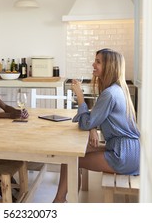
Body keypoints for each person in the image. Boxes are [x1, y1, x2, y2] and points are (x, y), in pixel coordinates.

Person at [53, 48, 140, 203]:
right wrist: (93, 127)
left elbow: (86, 122)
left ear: (109, 66)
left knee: (70, 159)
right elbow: (95, 118)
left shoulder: (110, 93)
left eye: (98, 62)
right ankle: (66, 199)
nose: (93, 64)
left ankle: (59, 202)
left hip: (122, 155)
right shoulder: (117, 89)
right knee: (72, 153)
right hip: (127, 149)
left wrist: (79, 96)